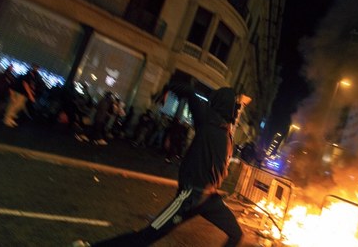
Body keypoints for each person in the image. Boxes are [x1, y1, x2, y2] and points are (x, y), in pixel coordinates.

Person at [89, 82, 245, 246]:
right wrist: (167, 89)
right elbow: (190, 91)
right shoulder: (207, 121)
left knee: (236, 234)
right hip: (189, 198)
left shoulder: (227, 132)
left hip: (209, 198)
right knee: (146, 236)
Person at [3, 63, 43, 127]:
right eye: (37, 68)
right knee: (15, 106)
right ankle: (7, 120)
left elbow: (28, 85)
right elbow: (25, 84)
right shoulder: (29, 75)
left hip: (20, 93)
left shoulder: (31, 76)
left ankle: (9, 119)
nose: (37, 70)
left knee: (15, 106)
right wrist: (30, 95)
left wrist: (31, 92)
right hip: (20, 93)